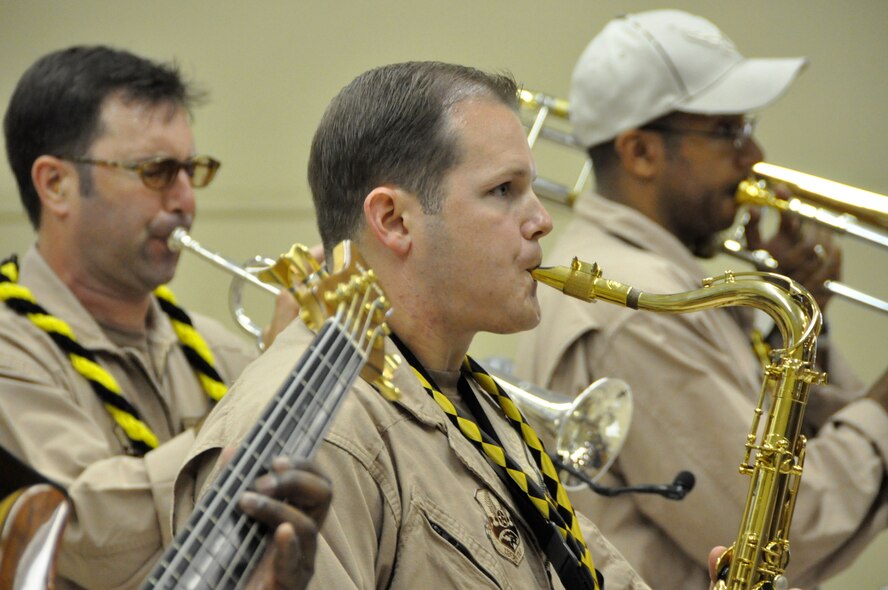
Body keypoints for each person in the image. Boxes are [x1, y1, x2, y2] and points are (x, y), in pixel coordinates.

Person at [172, 60, 759, 590]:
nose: (541, 222)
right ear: (394, 219)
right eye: (503, 191)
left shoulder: (469, 395)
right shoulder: (316, 430)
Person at [514, 10, 888, 590]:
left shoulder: (661, 276)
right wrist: (884, 408)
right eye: (729, 132)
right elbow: (775, 529)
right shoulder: (639, 299)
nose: (754, 154)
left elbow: (779, 442)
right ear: (639, 153)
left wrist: (802, 314)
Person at [0, 45, 328, 590]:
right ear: (55, 184)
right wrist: (272, 386)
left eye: (191, 170)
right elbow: (79, 532)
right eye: (156, 171)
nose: (184, 201)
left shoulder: (217, 347)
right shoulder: (10, 345)